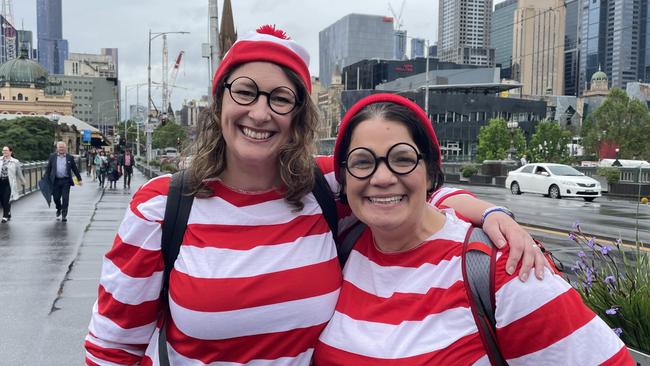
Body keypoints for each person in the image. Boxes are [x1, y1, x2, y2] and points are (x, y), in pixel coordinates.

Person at [85, 25, 546, 365]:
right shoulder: (162, 208)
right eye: (245, 92)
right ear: (220, 101)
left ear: (297, 115)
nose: (260, 113)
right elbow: (111, 350)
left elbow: (403, 190)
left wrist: (491, 215)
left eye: (280, 98)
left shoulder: (322, 188)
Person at [314, 94, 632, 365]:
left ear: (430, 172)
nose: (382, 178)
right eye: (362, 162)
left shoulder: (502, 267)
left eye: (402, 159)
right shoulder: (343, 244)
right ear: (343, 176)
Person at [45, 141, 82, 222]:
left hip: (66, 181)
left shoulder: (70, 157)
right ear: (57, 148)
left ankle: (64, 215)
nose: (61, 149)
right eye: (60, 147)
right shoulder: (52, 157)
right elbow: (48, 169)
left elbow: (75, 169)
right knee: (56, 198)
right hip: (55, 181)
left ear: (65, 148)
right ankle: (59, 208)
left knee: (65, 198)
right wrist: (45, 179)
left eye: (63, 147)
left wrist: (79, 179)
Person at [0, 146, 26, 222]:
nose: (4, 152)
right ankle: (8, 211)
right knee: (2, 200)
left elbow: (19, 173)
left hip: (9, 183)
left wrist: (23, 181)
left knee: (6, 199)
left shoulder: (15, 161)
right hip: (0, 182)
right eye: (3, 150)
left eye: (6, 150)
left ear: (10, 152)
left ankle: (5, 216)